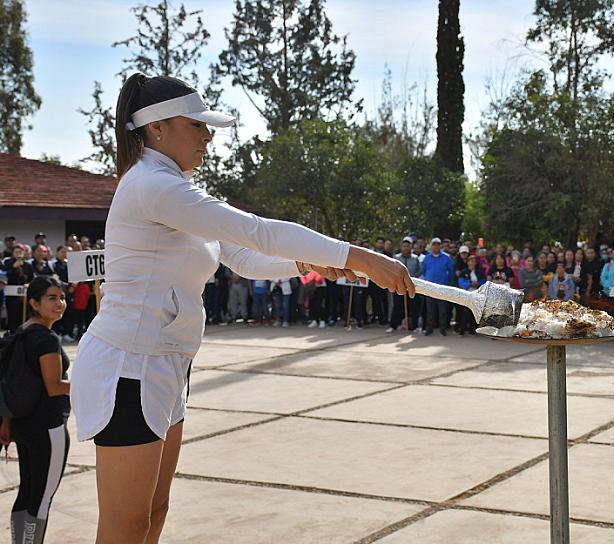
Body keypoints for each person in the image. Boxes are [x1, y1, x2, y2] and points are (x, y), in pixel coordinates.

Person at [69, 73, 414, 544]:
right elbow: (258, 231)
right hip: (128, 364)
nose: (208, 135)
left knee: (153, 513)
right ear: (157, 129)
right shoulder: (153, 185)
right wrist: (362, 256)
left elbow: (246, 257)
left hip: (167, 361)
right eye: (197, 125)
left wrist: (305, 262)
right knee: (125, 526)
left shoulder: (176, 188)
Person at [0, 276, 70, 544]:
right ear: (34, 303)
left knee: (27, 491)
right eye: (51, 298)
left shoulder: (20, 332)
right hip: (48, 427)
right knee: (41, 498)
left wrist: (6, 423)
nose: (59, 303)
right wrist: (88, 385)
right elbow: (54, 387)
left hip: (22, 425)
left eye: (61, 297)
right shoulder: (45, 339)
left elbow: (8, 381)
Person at [388, 237, 422, 333]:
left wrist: (410, 279)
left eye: (408, 246)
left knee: (413, 307)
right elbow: (392, 270)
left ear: (411, 247)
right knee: (397, 306)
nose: (406, 248)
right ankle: (394, 325)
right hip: (398, 286)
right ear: (401, 247)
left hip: (411, 286)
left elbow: (419, 271)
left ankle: (415, 326)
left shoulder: (415, 259)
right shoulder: (396, 258)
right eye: (404, 246)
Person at [422, 237, 454, 336]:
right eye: (434, 244)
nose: (436, 246)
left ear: (440, 246)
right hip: (430, 287)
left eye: (438, 244)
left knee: (442, 309)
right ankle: (429, 328)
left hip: (442, 287)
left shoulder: (446, 257)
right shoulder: (427, 258)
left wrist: (446, 281)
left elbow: (451, 272)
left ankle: (443, 329)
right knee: (430, 310)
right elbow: (424, 271)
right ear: (431, 246)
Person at [457, 255, 485, 335]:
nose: (472, 263)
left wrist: (478, 284)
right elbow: (461, 283)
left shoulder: (479, 272)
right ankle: (462, 329)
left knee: (474, 313)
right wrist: (470, 284)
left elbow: (483, 282)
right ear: (468, 262)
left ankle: (472, 330)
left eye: (474, 261)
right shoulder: (463, 272)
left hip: (477, 295)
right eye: (471, 261)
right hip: (467, 295)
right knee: (466, 312)